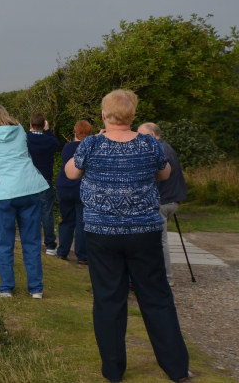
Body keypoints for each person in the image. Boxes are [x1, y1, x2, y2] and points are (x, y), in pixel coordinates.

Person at [64, 90, 190, 383]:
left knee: (109, 299)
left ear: (105, 115)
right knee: (156, 297)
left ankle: (113, 370)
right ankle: (176, 369)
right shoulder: (148, 143)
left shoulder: (92, 144)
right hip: (143, 230)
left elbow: (71, 173)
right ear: (132, 115)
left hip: (101, 233)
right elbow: (165, 173)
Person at [0, 103, 50, 299]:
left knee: (4, 242)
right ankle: (36, 289)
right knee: (31, 241)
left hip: (4, 193)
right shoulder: (20, 130)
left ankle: (6, 288)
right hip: (29, 189)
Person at [138, 122, 188, 286]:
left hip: (162, 200)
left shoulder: (158, 150)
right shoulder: (165, 147)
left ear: (152, 135)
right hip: (171, 199)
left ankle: (166, 277)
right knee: (156, 239)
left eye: (141, 135)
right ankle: (157, 274)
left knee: (160, 240)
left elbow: (156, 178)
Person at [55, 119, 91, 265]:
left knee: (66, 220)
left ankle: (63, 251)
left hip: (65, 187)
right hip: (81, 187)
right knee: (81, 222)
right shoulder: (90, 148)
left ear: (75, 132)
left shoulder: (68, 147)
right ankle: (82, 255)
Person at [26, 112, 61, 255]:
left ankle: (31, 242)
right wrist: (48, 130)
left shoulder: (26, 139)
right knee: (46, 213)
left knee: (29, 212)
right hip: (45, 180)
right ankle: (50, 246)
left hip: (29, 180)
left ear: (30, 125)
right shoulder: (49, 140)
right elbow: (57, 144)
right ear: (43, 125)